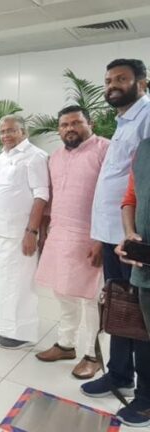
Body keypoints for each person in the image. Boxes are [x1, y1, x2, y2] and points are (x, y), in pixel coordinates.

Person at [81, 58, 150, 428]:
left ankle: (147, 397)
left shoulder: (147, 116)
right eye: (108, 80)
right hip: (114, 234)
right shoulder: (124, 121)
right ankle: (120, 374)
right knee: (119, 308)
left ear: (143, 82)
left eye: (121, 79)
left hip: (136, 240)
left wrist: (132, 233)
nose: (112, 85)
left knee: (142, 318)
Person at [35, 106, 109, 380]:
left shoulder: (105, 150)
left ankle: (93, 355)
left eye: (76, 123)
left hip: (91, 237)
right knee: (63, 292)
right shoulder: (55, 157)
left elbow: (112, 196)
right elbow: (52, 197)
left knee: (91, 298)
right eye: (64, 124)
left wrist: (102, 240)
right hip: (60, 234)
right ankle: (66, 344)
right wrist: (44, 231)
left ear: (90, 123)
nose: (70, 129)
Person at [0, 114, 49, 350]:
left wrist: (31, 231)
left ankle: (20, 332)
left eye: (11, 130)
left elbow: (41, 196)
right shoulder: (2, 156)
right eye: (2, 131)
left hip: (18, 232)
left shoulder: (35, 156)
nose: (5, 135)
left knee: (18, 284)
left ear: (23, 131)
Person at [118, 137, 150, 428]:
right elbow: (130, 199)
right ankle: (146, 398)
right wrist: (129, 234)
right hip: (145, 267)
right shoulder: (144, 149)